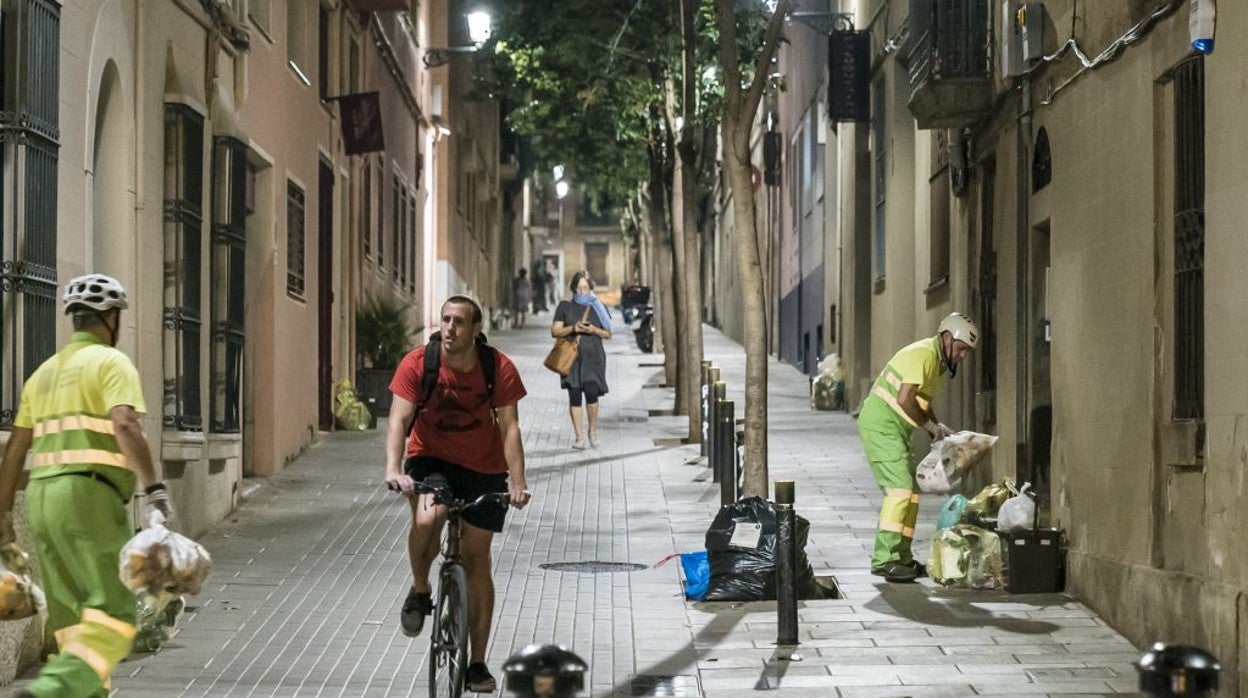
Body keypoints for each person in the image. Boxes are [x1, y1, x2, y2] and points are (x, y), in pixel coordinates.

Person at [0, 274, 174, 697]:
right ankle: (50, 690)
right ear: (111, 317)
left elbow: (14, 451)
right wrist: (155, 490)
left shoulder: (42, 373)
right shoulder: (112, 363)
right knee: (116, 613)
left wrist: (4, 518)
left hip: (41, 498)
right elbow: (125, 424)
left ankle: (87, 691)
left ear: (74, 318)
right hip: (89, 496)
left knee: (71, 618)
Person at [383, 295, 531, 694]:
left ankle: (477, 663)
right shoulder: (419, 363)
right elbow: (398, 419)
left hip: (484, 467)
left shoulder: (497, 368)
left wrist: (517, 482)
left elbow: (510, 428)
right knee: (428, 518)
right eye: (446, 320)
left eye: (459, 322)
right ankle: (420, 590)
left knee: (477, 558)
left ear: (476, 329)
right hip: (430, 460)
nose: (450, 328)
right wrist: (394, 469)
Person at [856, 312, 978, 583]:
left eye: (967, 352)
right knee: (899, 490)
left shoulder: (934, 362)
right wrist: (930, 428)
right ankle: (884, 559)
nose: (962, 356)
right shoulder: (922, 354)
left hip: (894, 430)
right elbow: (905, 398)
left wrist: (939, 425)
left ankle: (902, 557)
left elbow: (921, 402)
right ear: (946, 338)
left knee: (910, 494)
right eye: (960, 349)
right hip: (881, 427)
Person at [550, 272, 612, 449]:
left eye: (585, 287)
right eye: (579, 287)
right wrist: (573, 328)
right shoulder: (565, 306)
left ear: (591, 288)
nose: (582, 290)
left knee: (592, 394)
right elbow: (555, 331)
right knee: (574, 396)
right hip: (571, 358)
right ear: (573, 288)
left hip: (593, 358)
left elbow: (608, 334)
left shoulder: (598, 307)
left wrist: (593, 329)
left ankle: (592, 431)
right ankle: (579, 438)